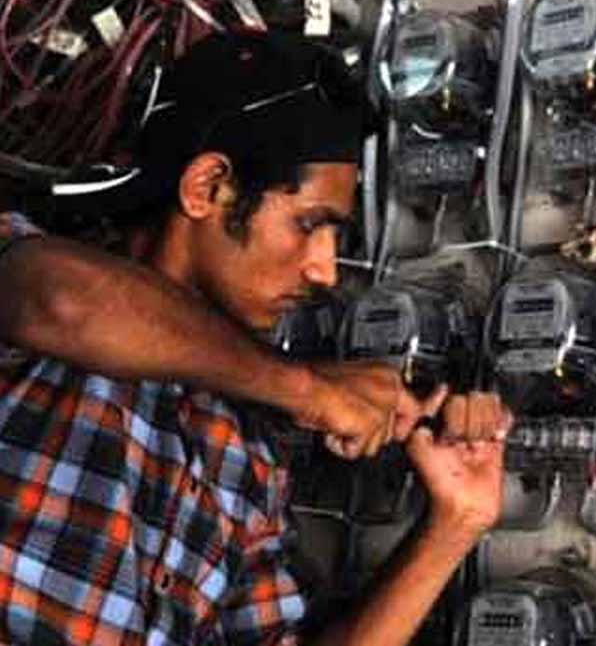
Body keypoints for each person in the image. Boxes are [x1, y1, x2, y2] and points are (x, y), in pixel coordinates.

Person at [0, 32, 507, 645]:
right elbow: (61, 302)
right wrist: (308, 389)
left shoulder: (245, 458)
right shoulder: (34, 275)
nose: (324, 270)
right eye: (309, 224)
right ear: (207, 187)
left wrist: (455, 522)